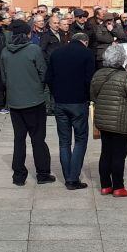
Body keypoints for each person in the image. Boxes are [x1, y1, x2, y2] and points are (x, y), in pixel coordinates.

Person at [91, 43, 127, 197]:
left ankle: (105, 185)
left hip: (103, 119)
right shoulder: (126, 77)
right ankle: (118, 187)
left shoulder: (98, 74)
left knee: (105, 152)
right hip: (120, 121)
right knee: (119, 154)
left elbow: (93, 96)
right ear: (122, 59)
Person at [1, 24, 54, 186]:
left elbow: (4, 78)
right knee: (38, 139)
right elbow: (43, 73)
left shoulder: (5, 51)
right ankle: (42, 173)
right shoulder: (33, 50)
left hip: (15, 102)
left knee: (19, 139)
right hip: (34, 100)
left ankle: (18, 175)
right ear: (27, 34)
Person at [44, 32, 95, 190]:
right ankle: (73, 178)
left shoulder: (57, 53)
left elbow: (49, 78)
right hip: (79, 102)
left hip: (60, 102)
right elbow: (90, 80)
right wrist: (88, 97)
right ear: (84, 42)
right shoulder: (87, 53)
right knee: (80, 140)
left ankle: (68, 176)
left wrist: (57, 94)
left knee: (64, 142)